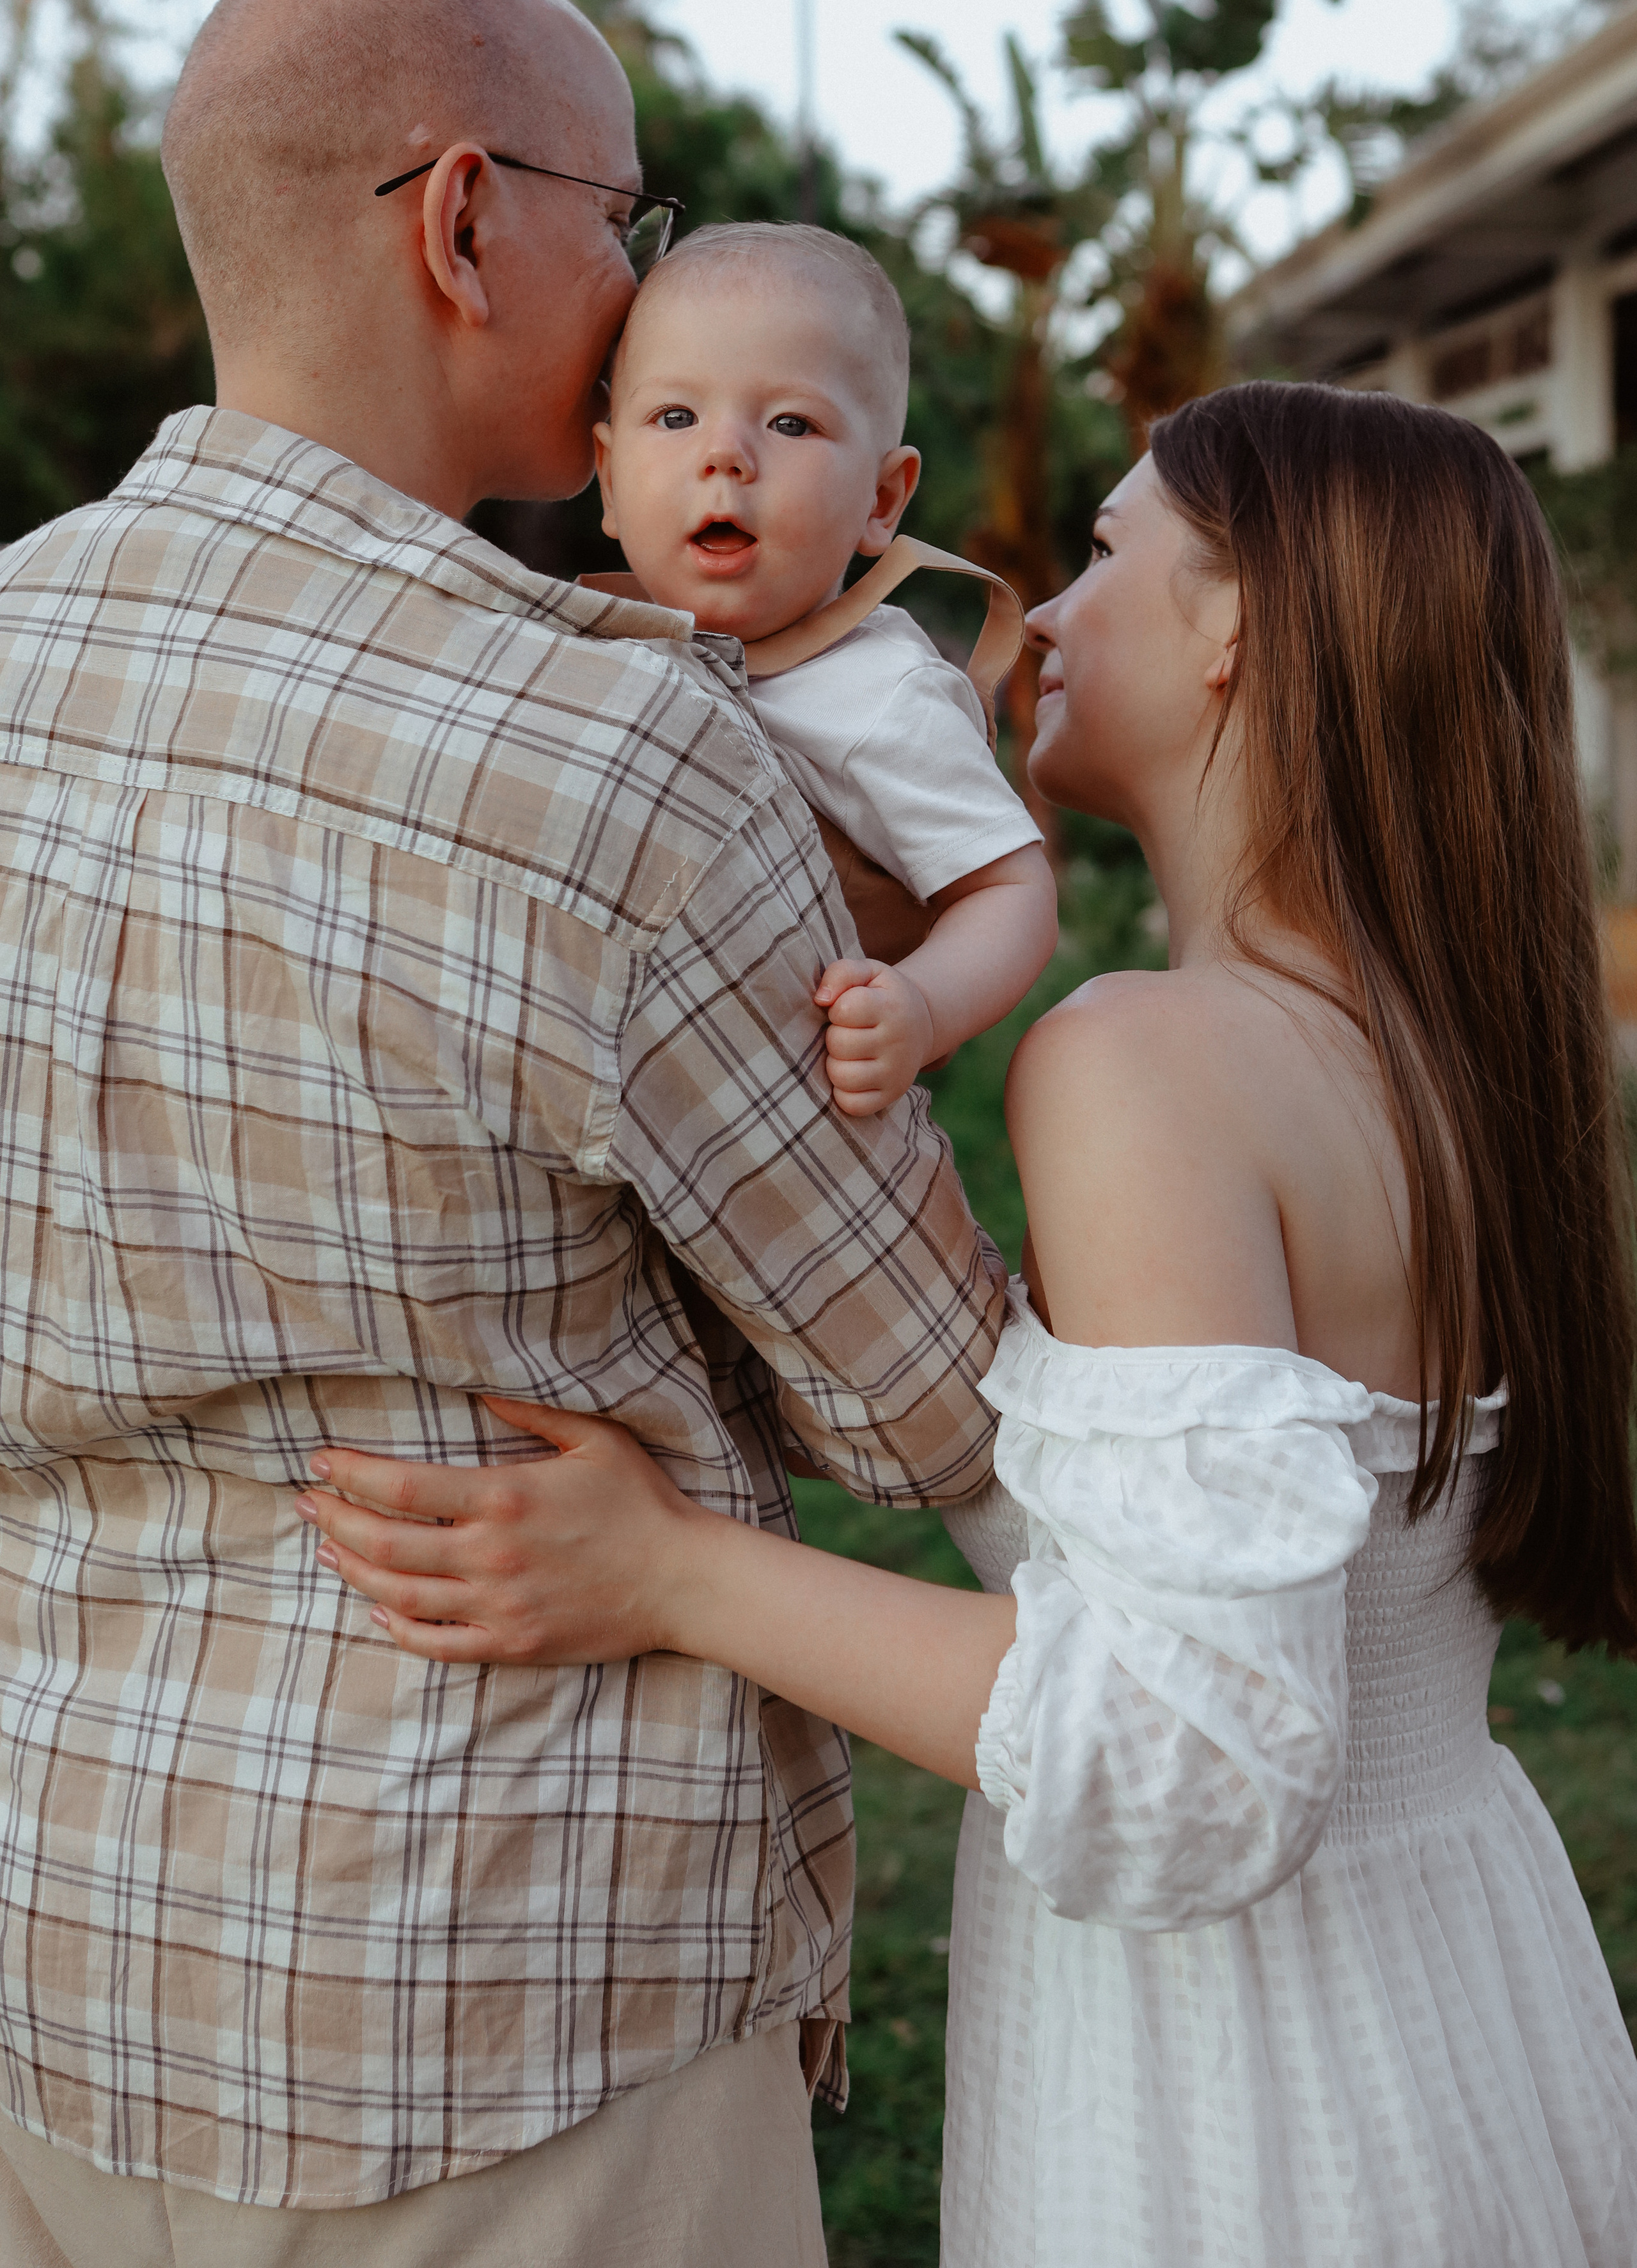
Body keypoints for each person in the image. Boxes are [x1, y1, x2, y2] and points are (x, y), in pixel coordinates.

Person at [306, 381, 1637, 2267]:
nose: (1046, 616)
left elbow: (1192, 1758)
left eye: (1103, 556)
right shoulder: (1438, 1061)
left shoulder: (1147, 1062)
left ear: (1239, 622)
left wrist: (668, 1574)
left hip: (1243, 2084)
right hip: (1467, 1990)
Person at [0, 0, 1008, 2268]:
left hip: (57, 1955)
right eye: (625, 219)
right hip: (511, 2004)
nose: (646, 285)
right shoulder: (601, 751)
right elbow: (920, 1396)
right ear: (467, 221)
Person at [591, 220, 1056, 1114]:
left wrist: (922, 1007)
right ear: (609, 481)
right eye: (676, 416)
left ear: (881, 501)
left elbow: (1012, 887)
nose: (725, 455)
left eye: (791, 422)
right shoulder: (596, 646)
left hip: (788, 1117)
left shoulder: (880, 694)